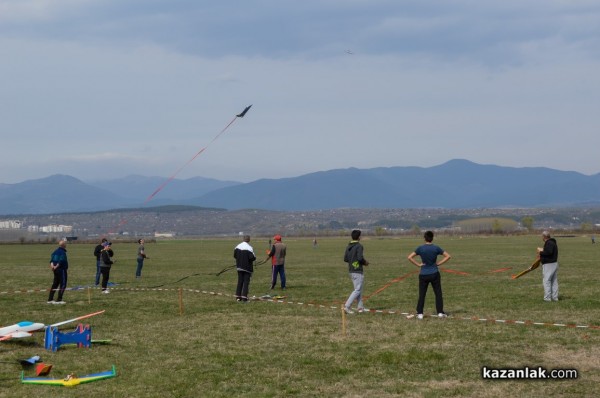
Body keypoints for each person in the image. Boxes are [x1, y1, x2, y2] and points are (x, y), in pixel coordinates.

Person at [407, 231, 451, 319]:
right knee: (438, 293)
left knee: (422, 294)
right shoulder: (436, 248)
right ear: (432, 238)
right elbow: (448, 256)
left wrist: (418, 265)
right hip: (434, 273)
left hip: (423, 274)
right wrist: (438, 263)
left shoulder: (420, 248)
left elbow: (409, 257)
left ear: (424, 238)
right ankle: (440, 313)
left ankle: (420, 313)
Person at [343, 229, 369, 314]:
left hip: (351, 270)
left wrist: (352, 261)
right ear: (358, 237)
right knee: (357, 289)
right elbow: (360, 258)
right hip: (357, 270)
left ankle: (360, 307)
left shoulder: (348, 246)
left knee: (358, 289)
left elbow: (345, 259)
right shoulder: (359, 246)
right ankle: (347, 306)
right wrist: (365, 263)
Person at [537, 231, 559, 302]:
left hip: (549, 264)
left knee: (546, 281)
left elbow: (549, 252)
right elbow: (549, 251)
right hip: (554, 264)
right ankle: (555, 298)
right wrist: (543, 250)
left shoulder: (549, 243)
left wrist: (540, 252)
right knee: (554, 281)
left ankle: (547, 298)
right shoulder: (552, 242)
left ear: (544, 237)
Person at [234, 235, 256, 302]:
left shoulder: (237, 246)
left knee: (240, 281)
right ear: (249, 240)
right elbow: (252, 258)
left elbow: (235, 255)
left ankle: (238, 297)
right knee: (246, 283)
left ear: (243, 239)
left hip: (239, 267)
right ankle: (244, 298)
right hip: (247, 268)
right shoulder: (249, 248)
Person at [47, 240, 69, 304]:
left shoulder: (55, 252)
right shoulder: (62, 252)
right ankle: (59, 299)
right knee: (63, 284)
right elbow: (61, 261)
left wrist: (52, 267)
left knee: (55, 284)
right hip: (61, 270)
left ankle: (50, 299)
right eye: (65, 244)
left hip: (55, 270)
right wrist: (56, 266)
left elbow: (51, 260)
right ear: (64, 245)